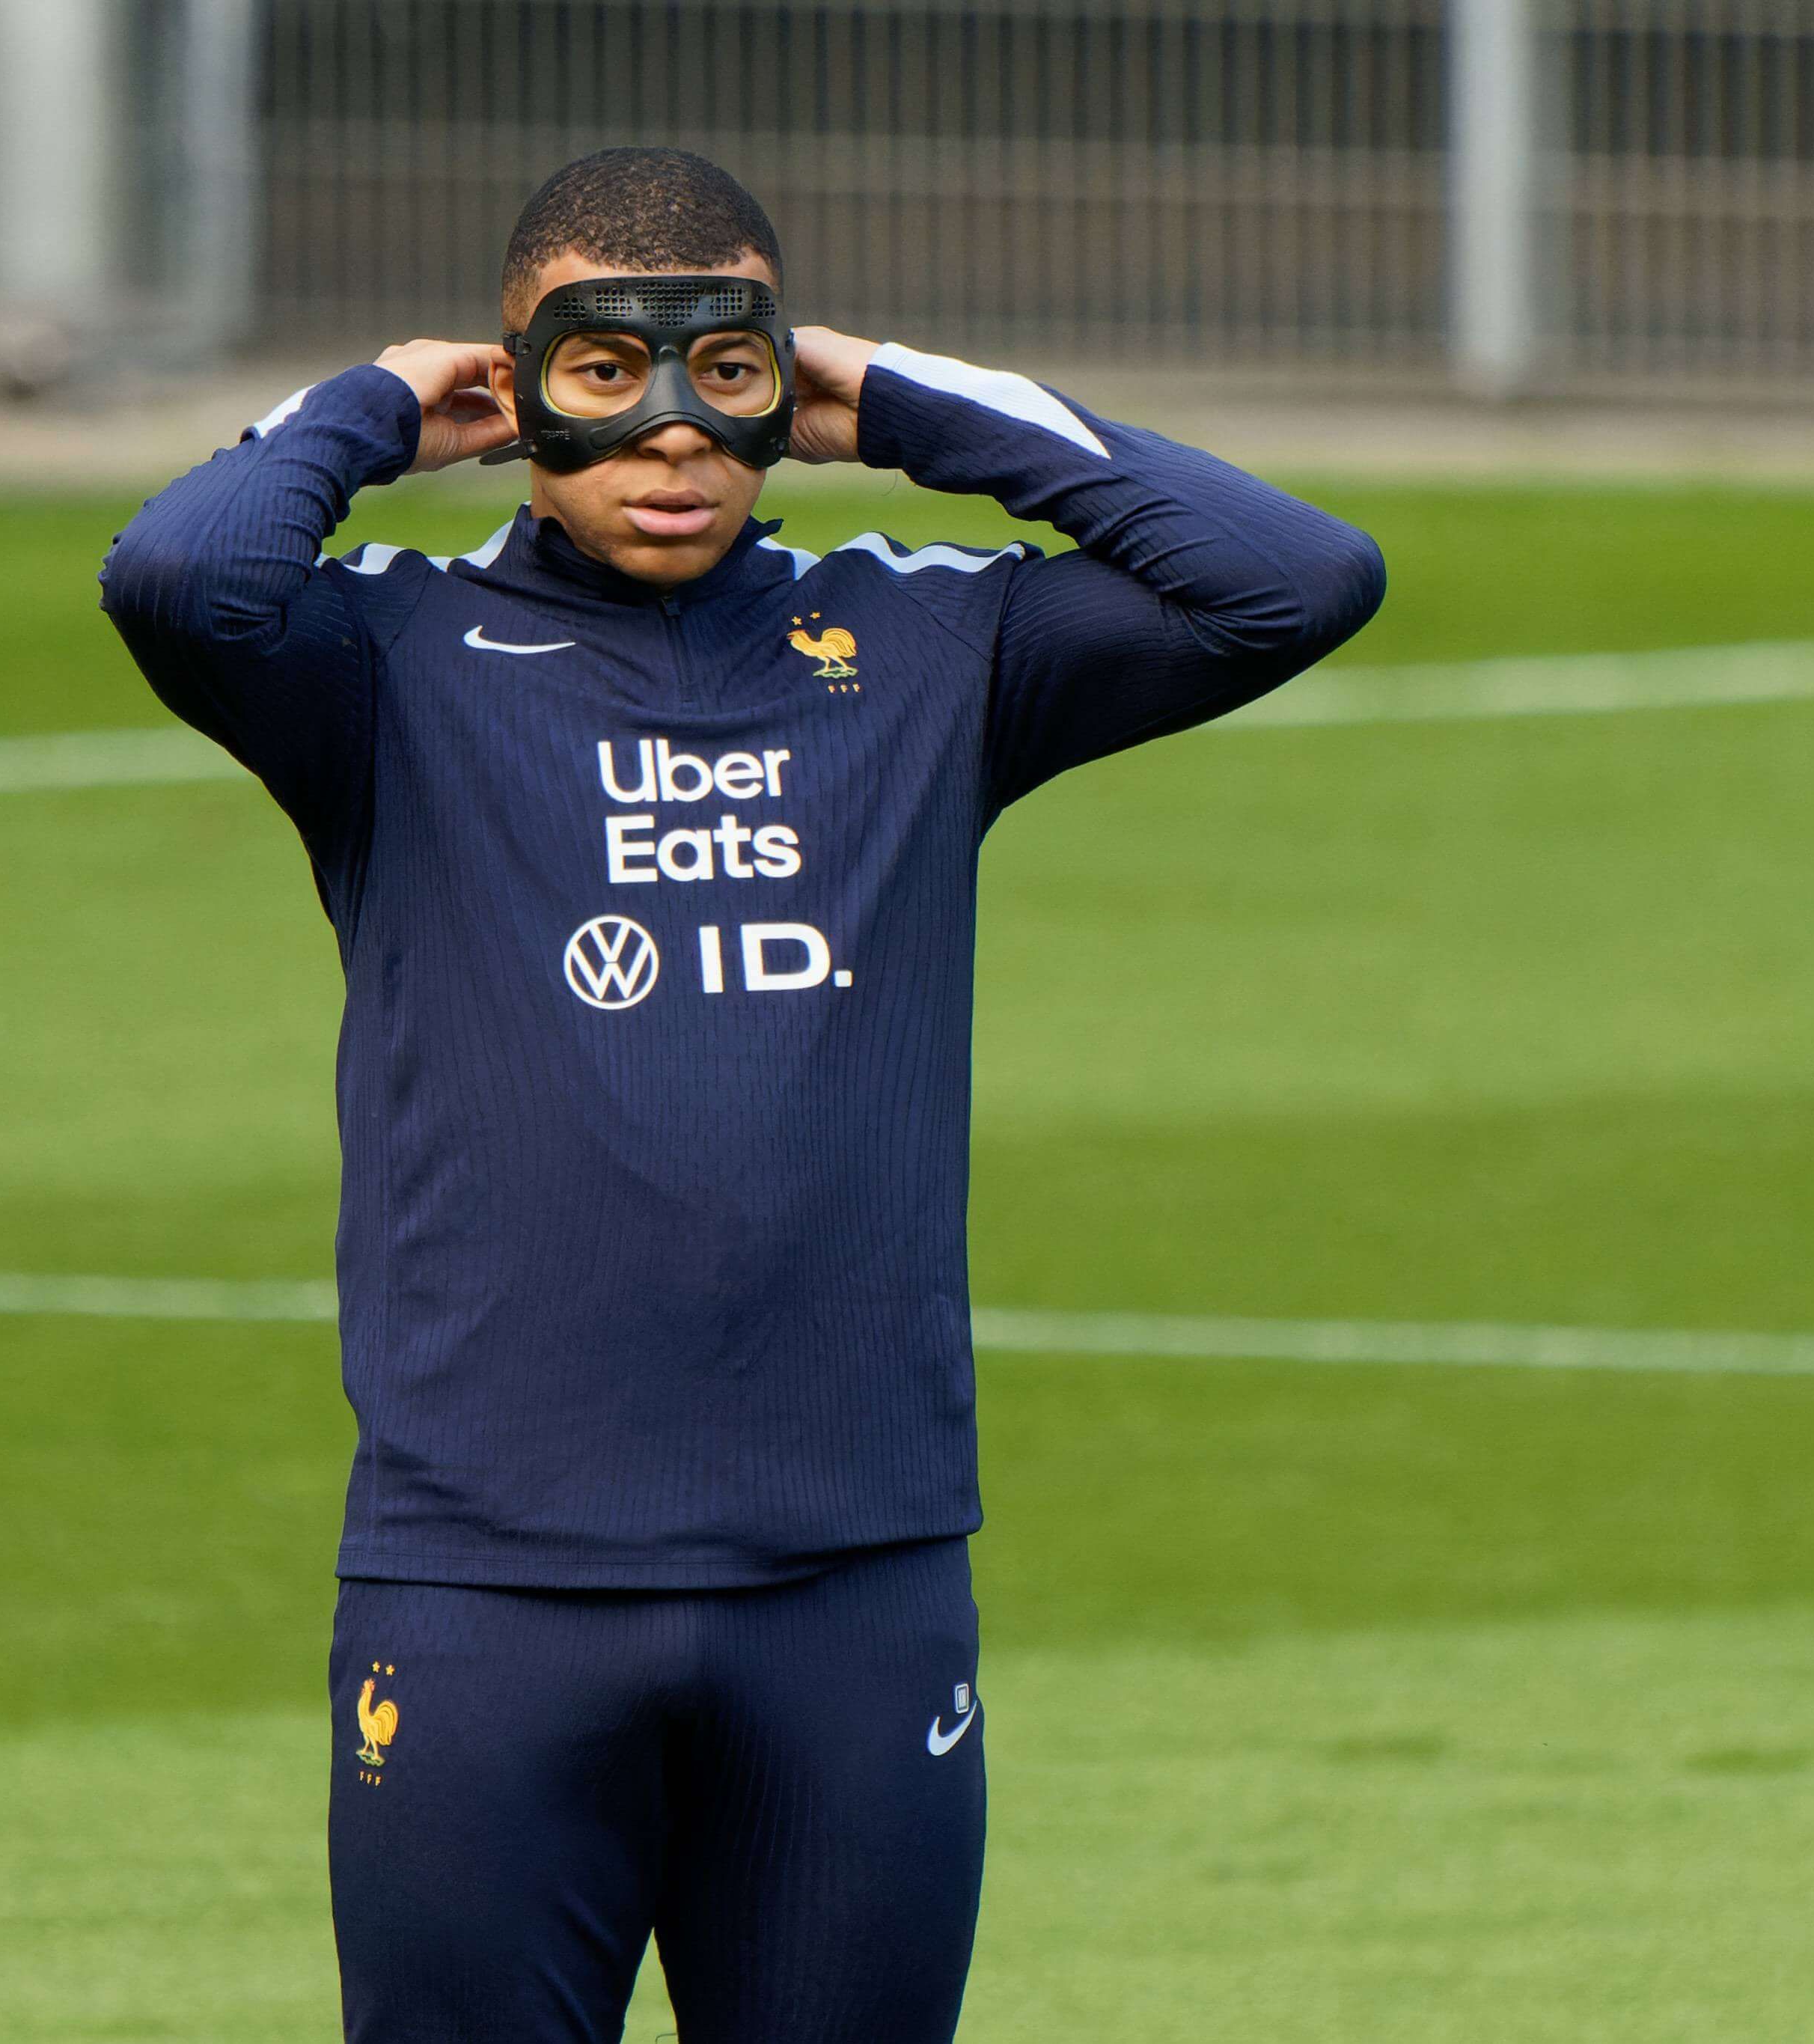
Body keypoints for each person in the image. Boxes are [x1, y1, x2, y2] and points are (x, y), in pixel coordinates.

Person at [100, 146, 1384, 2044]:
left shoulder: (939, 647)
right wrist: (376, 406)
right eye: (604, 379)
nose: (676, 436)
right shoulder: (385, 660)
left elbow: (1289, 582)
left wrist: (915, 405)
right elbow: (178, 578)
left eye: (732, 374)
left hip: (851, 1584)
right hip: (486, 1589)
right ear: (520, 390)